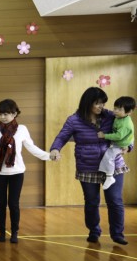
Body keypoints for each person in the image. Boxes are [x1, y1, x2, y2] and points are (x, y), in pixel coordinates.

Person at [50, 87, 130, 245]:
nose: (102, 107)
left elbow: (128, 132)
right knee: (92, 201)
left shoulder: (110, 116)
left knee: (114, 200)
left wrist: (129, 146)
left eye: (103, 103)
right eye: (98, 103)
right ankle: (94, 231)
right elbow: (62, 136)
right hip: (88, 165)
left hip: (113, 164)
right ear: (88, 103)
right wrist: (54, 149)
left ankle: (117, 234)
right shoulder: (74, 120)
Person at [0, 99, 51, 243]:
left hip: (17, 173)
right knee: (0, 203)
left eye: (6, 113)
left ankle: (15, 233)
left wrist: (48, 156)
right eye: (0, 114)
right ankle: (2, 232)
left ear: (14, 114)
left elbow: (32, 148)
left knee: (14, 203)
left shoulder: (22, 130)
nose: (2, 117)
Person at [97, 96, 134, 190]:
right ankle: (108, 174)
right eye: (115, 108)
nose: (116, 111)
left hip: (120, 144)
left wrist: (104, 136)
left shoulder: (126, 123)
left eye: (120, 109)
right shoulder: (118, 116)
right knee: (108, 156)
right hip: (118, 143)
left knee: (109, 156)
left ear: (129, 112)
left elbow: (118, 136)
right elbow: (108, 112)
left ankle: (109, 177)